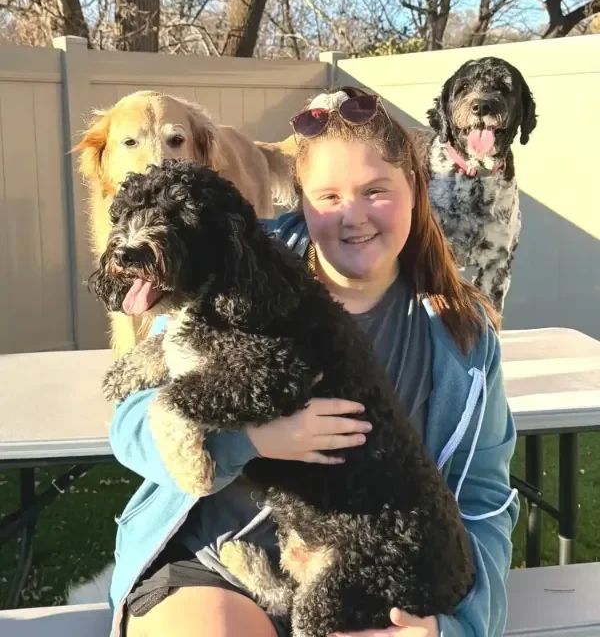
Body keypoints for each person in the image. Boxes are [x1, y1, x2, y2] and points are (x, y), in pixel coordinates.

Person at [106, 87, 519, 637]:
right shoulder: (223, 260)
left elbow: (483, 501)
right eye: (328, 196)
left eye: (376, 191)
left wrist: (453, 629)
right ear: (301, 198)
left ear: (416, 190)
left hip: (363, 574)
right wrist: (252, 442)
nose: (353, 216)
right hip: (217, 558)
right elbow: (129, 427)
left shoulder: (462, 333)